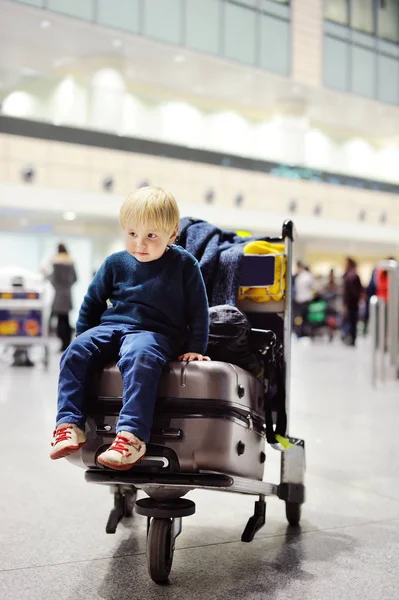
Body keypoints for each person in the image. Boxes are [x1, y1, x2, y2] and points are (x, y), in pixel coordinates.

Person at [49, 187, 210, 470]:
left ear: (172, 235)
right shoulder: (115, 263)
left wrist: (196, 347)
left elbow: (199, 311)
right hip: (113, 326)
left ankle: (132, 436)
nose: (140, 244)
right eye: (132, 234)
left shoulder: (185, 264)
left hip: (156, 333)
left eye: (151, 236)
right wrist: (84, 339)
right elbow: (92, 303)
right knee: (75, 351)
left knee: (140, 356)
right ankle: (69, 424)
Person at [49, 244, 77, 352]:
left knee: (60, 320)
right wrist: (67, 285)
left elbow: (53, 279)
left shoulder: (55, 262)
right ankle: (67, 342)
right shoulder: (70, 261)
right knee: (66, 319)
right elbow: (75, 278)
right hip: (68, 293)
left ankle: (63, 343)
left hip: (59, 294)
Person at [342, 257, 363, 346]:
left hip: (352, 302)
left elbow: (357, 290)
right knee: (350, 320)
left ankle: (352, 339)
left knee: (352, 321)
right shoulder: (348, 275)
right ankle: (350, 338)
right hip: (351, 302)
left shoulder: (353, 276)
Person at [293, 261, 314, 336]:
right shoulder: (303, 275)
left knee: (301, 317)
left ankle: (302, 333)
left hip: (302, 299)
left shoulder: (303, 276)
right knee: (302, 318)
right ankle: (302, 332)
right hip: (302, 299)